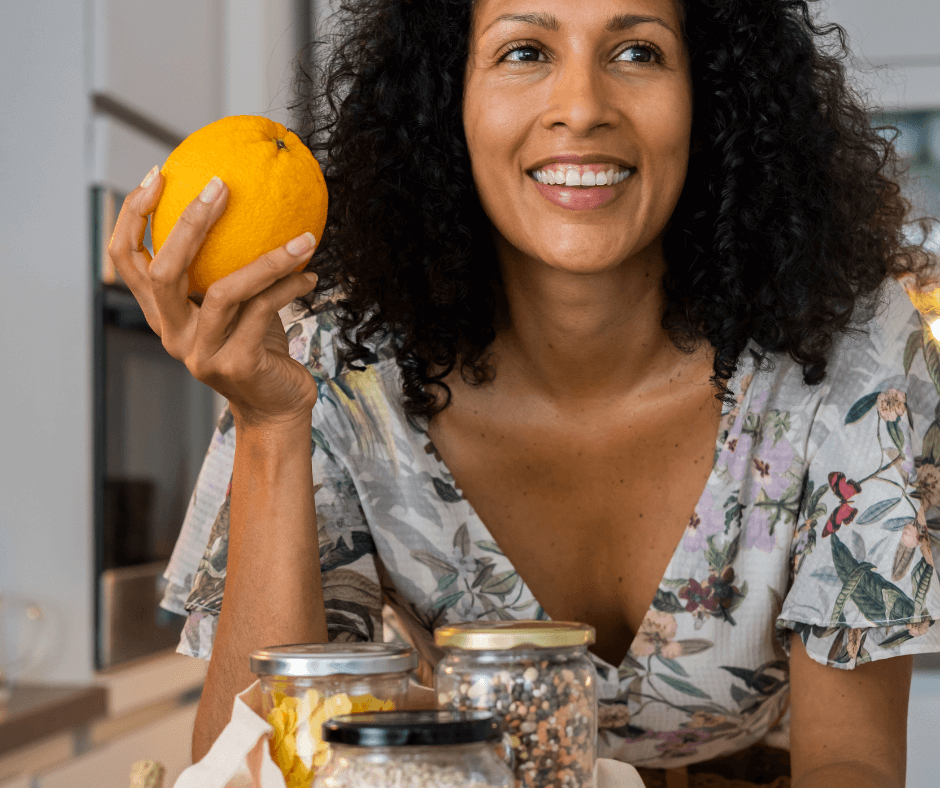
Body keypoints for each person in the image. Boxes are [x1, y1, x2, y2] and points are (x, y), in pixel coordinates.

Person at [109, 0, 940, 784]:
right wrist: (269, 422)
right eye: (525, 51)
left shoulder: (845, 354)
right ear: (448, 99)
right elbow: (249, 763)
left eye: (638, 51)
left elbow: (855, 766)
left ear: (711, 94)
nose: (581, 106)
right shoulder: (334, 364)